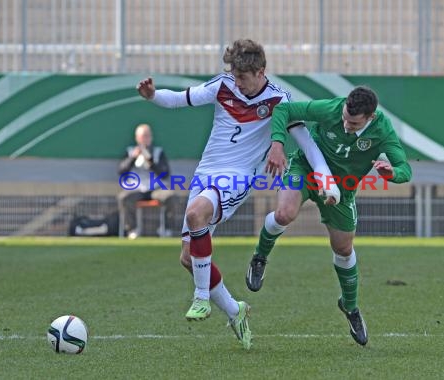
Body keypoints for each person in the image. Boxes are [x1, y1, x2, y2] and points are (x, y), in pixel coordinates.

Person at [136, 39, 332, 350]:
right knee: (189, 258)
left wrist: (326, 179)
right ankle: (234, 310)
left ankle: (201, 298)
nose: (237, 82)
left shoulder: (280, 100)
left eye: (242, 76)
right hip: (205, 174)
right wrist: (153, 96)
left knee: (194, 214)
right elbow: (179, 99)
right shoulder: (223, 85)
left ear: (260, 72)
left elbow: (308, 144)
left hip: (237, 177)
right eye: (234, 75)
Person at [245, 86, 412, 346]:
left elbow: (404, 169)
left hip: (342, 189)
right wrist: (277, 143)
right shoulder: (332, 108)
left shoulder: (383, 131)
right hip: (306, 169)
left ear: (370, 117)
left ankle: (350, 306)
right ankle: (260, 256)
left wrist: (392, 173)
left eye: (353, 123)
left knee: (343, 248)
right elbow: (284, 109)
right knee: (285, 213)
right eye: (345, 117)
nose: (345, 124)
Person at [118, 123, 171, 239]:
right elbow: (121, 170)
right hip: (136, 189)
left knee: (170, 197)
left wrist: (151, 162)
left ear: (151, 137)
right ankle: (132, 230)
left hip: (155, 189)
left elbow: (165, 173)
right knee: (124, 198)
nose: (145, 139)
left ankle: (165, 229)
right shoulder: (129, 151)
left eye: (147, 136)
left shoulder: (158, 152)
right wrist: (132, 158)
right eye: (142, 136)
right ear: (137, 138)